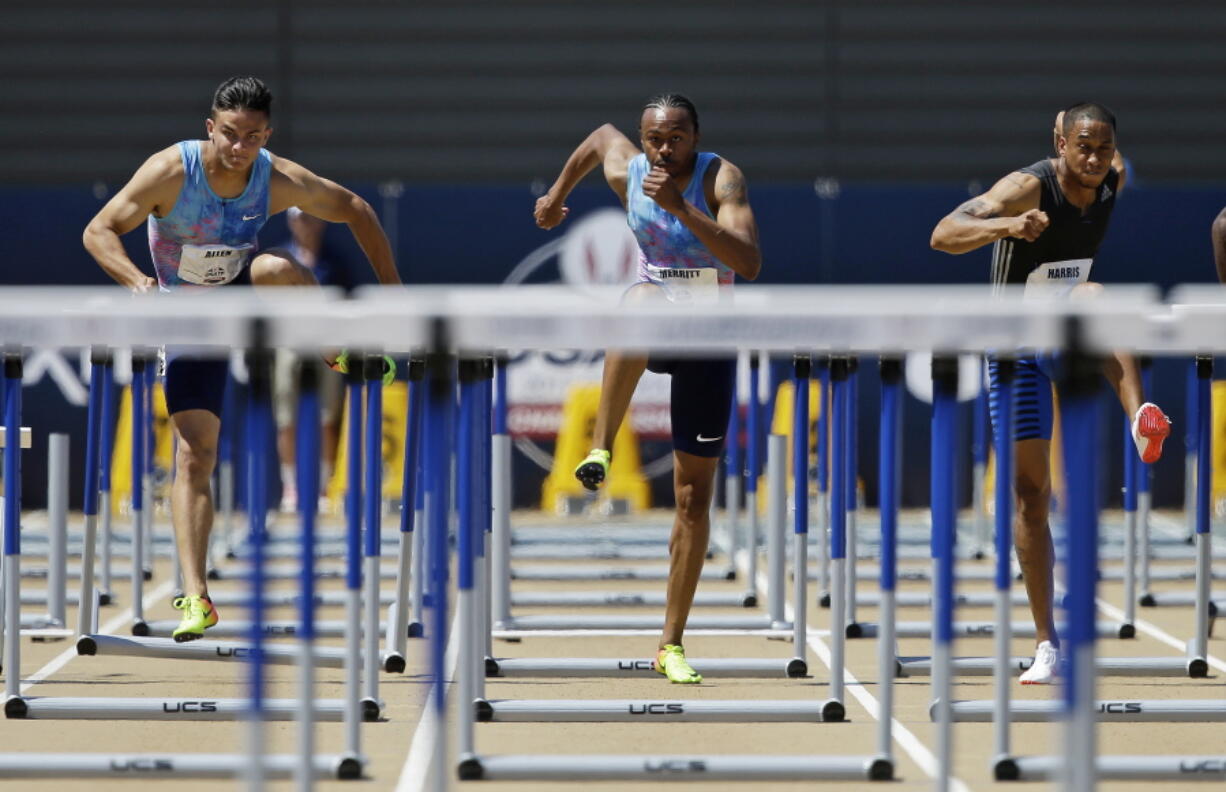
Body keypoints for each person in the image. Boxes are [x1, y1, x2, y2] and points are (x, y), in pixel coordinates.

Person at [83, 76, 402, 642]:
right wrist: (136, 282)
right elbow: (99, 229)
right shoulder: (170, 171)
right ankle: (196, 596)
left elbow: (356, 209)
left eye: (252, 138)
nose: (239, 148)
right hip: (186, 314)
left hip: (246, 292)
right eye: (230, 134)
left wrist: (396, 297)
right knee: (193, 456)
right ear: (211, 127)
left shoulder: (275, 176)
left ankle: (334, 350)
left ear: (266, 135)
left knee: (278, 268)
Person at [930, 101, 1172, 684]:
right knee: (1030, 497)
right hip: (1014, 346)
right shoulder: (1025, 187)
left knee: (1094, 296)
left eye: (1103, 147)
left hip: (1068, 324)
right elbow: (944, 234)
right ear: (1060, 144)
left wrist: (1080, 129)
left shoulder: (1111, 175)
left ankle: (1141, 414)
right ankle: (1047, 642)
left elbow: (1106, 154)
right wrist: (1007, 226)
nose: (1093, 158)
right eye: (1081, 146)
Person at [534, 94, 762, 683]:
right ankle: (601, 447)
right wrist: (557, 196)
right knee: (636, 299)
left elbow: (749, 261)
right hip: (652, 319)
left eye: (677, 138)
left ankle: (671, 643)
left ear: (695, 137)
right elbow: (597, 137)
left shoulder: (723, 178)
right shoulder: (628, 167)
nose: (665, 149)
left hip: (708, 337)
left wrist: (683, 209)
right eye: (655, 139)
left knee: (692, 497)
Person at [272, 208, 353, 513]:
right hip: (287, 344)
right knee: (285, 414)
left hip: (327, 344)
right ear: (291, 221)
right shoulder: (278, 261)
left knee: (328, 414)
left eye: (310, 217)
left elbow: (347, 302)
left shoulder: (336, 260)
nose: (305, 223)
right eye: (299, 218)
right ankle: (290, 486)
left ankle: (322, 485)